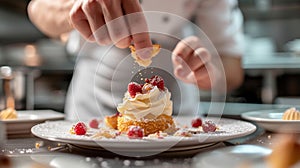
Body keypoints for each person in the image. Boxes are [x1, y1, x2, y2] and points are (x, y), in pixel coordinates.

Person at [27, 0, 244, 120]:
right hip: (91, 110)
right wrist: (77, 7)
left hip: (180, 118)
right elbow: (37, 9)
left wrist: (208, 72)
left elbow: (233, 67)